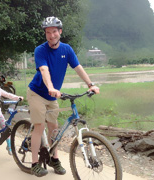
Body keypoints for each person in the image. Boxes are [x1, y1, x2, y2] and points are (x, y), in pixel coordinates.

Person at [27, 16, 100, 177]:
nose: (51, 35)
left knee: (54, 129)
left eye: (54, 31)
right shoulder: (40, 50)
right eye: (48, 32)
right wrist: (51, 87)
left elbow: (78, 67)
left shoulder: (66, 49)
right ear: (45, 34)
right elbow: (44, 70)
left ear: (60, 31)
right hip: (37, 93)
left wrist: (90, 84)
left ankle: (55, 159)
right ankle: (34, 163)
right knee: (39, 126)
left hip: (53, 96)